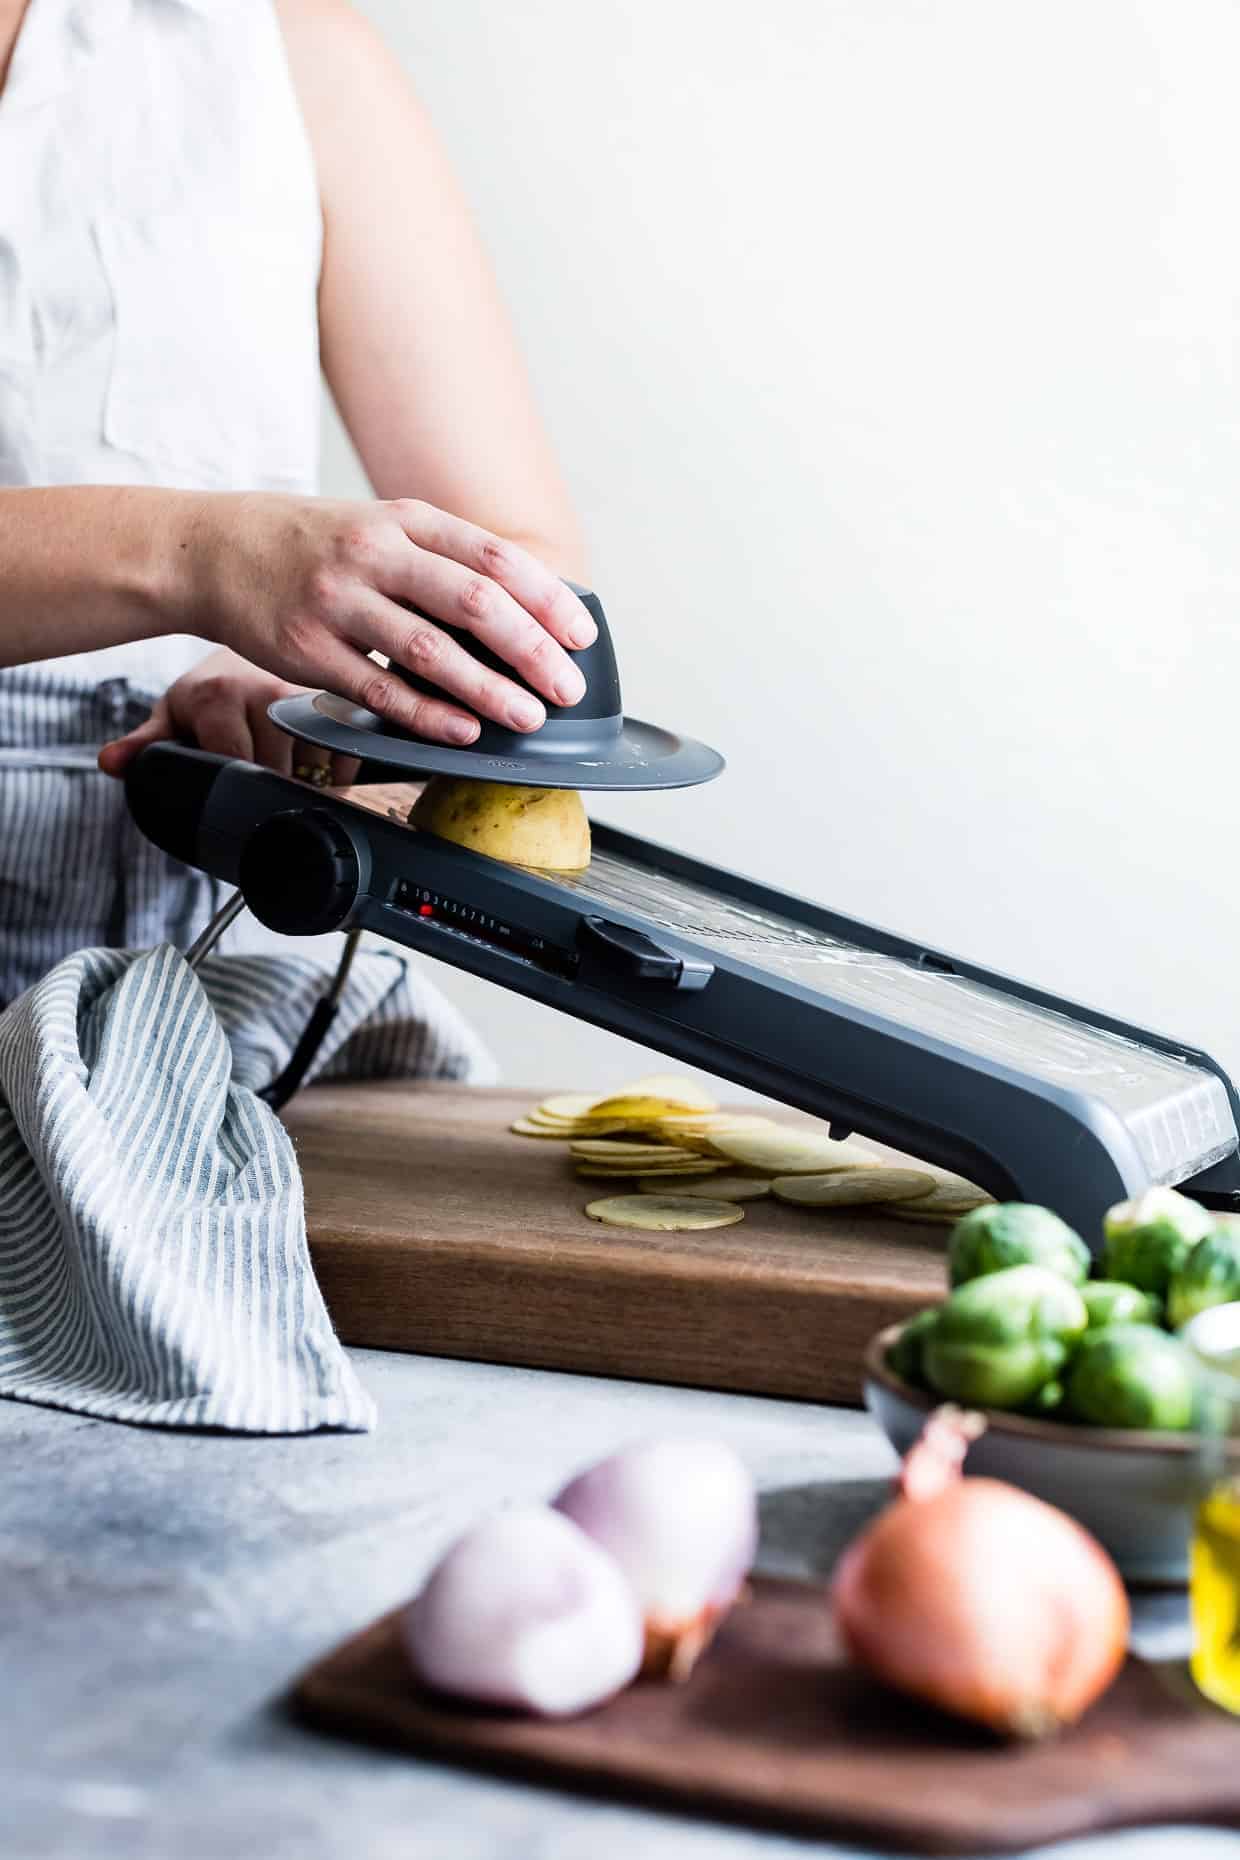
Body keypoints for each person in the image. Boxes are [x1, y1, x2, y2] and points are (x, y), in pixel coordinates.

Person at [0, 0, 592, 1049]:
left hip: (217, 979)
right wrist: (204, 559)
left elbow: (522, 570)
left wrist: (341, 699)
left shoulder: (290, 51)